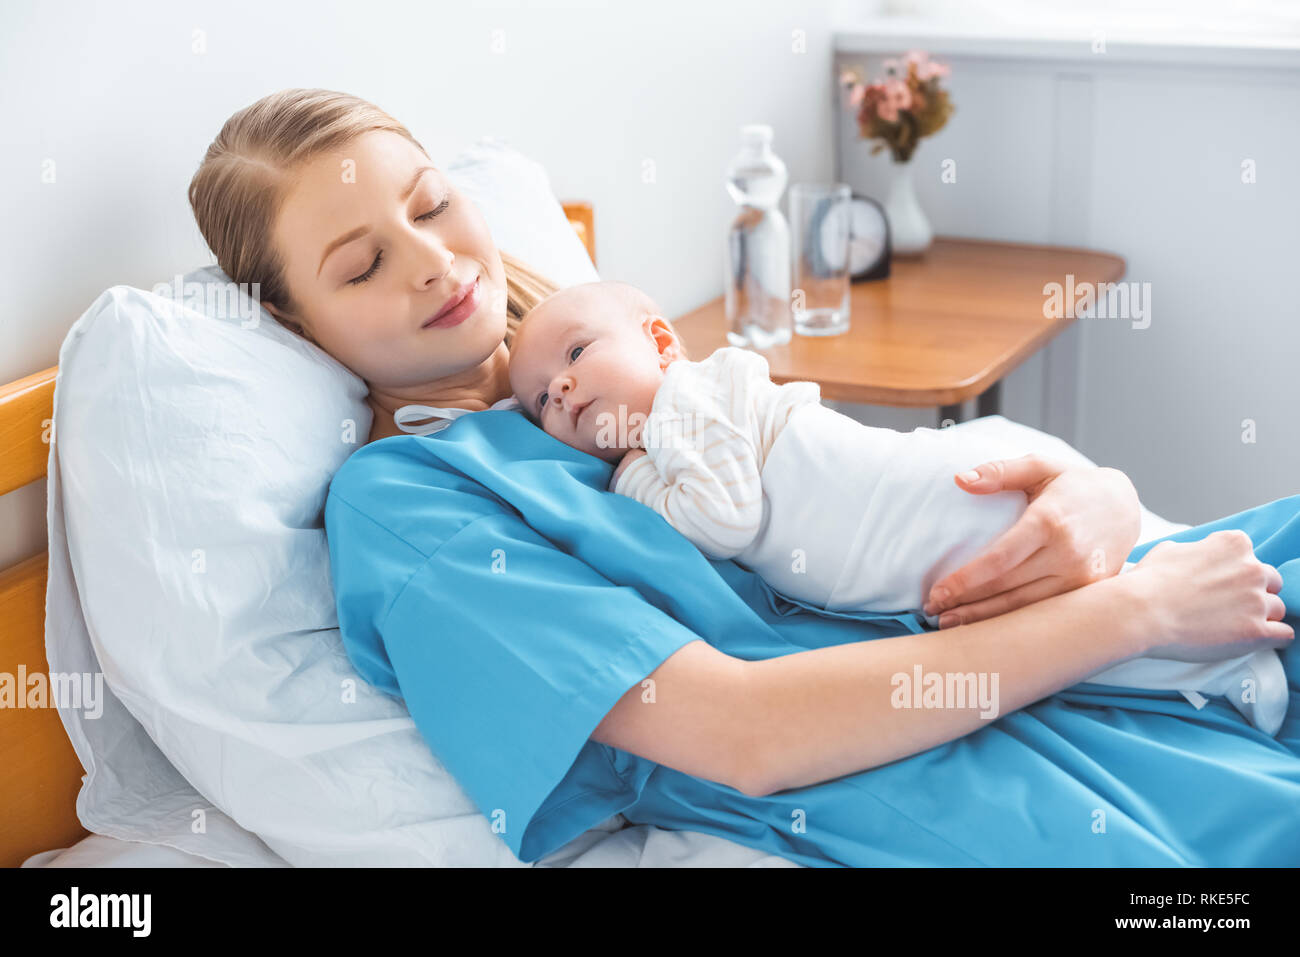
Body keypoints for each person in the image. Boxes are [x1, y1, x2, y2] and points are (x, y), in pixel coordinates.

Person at [187, 88, 1299, 866]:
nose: (430, 260)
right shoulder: (408, 509)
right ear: (292, 317)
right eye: (363, 264)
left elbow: (858, 482)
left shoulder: (591, 362)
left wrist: (1086, 488)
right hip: (935, 754)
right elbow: (742, 736)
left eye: (430, 205)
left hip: (1074, 623)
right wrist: (1132, 609)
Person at [505, 280, 1289, 736]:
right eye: (542, 399)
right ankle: (1216, 658)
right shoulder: (673, 421)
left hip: (922, 509)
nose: (563, 390)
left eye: (576, 355)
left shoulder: (687, 403)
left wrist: (633, 483)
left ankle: (1224, 659)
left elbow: (724, 519)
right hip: (912, 531)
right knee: (1057, 616)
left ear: (662, 343)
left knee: (1069, 605)